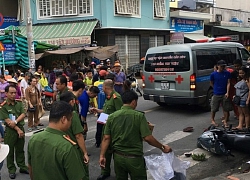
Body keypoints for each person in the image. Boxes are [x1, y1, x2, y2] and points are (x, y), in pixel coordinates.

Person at [99, 90, 172, 180]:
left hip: (118, 158)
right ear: (133, 102)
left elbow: (106, 138)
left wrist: (102, 156)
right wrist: (162, 147)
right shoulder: (139, 116)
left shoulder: (112, 117)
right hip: (134, 159)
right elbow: (148, 138)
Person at [28, 101, 85, 180]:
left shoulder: (34, 139)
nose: (70, 123)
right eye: (70, 120)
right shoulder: (67, 147)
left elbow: (31, 168)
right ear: (64, 119)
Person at [91, 79, 123, 180]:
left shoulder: (116, 97)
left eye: (103, 88)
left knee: (116, 153)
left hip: (113, 130)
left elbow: (119, 115)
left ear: (105, 87)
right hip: (106, 128)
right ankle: (105, 171)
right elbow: (107, 111)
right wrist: (98, 111)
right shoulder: (108, 98)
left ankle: (120, 174)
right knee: (105, 151)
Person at [0, 85, 29, 179]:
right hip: (10, 131)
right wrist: (17, 129)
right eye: (11, 93)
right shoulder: (3, 107)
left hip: (20, 127)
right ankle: (11, 169)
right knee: (10, 151)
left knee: (20, 149)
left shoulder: (19, 103)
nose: (13, 95)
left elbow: (23, 113)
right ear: (6, 93)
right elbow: (8, 122)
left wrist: (16, 122)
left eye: (14, 93)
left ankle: (22, 166)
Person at [60, 92, 89, 179]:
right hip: (73, 147)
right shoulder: (72, 114)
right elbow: (78, 136)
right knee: (82, 172)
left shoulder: (57, 113)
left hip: (61, 146)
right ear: (71, 101)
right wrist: (85, 153)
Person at [210, 60, 232, 127]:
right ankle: (212, 120)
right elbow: (211, 83)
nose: (222, 67)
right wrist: (215, 89)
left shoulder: (227, 73)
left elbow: (228, 83)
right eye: (221, 66)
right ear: (218, 66)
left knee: (225, 108)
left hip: (224, 93)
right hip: (216, 93)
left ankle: (225, 121)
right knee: (214, 108)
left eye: (223, 66)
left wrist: (227, 92)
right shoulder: (213, 74)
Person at [94, 70, 107, 147]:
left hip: (99, 108)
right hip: (105, 109)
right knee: (106, 127)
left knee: (99, 126)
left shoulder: (96, 84)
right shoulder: (106, 85)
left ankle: (98, 142)